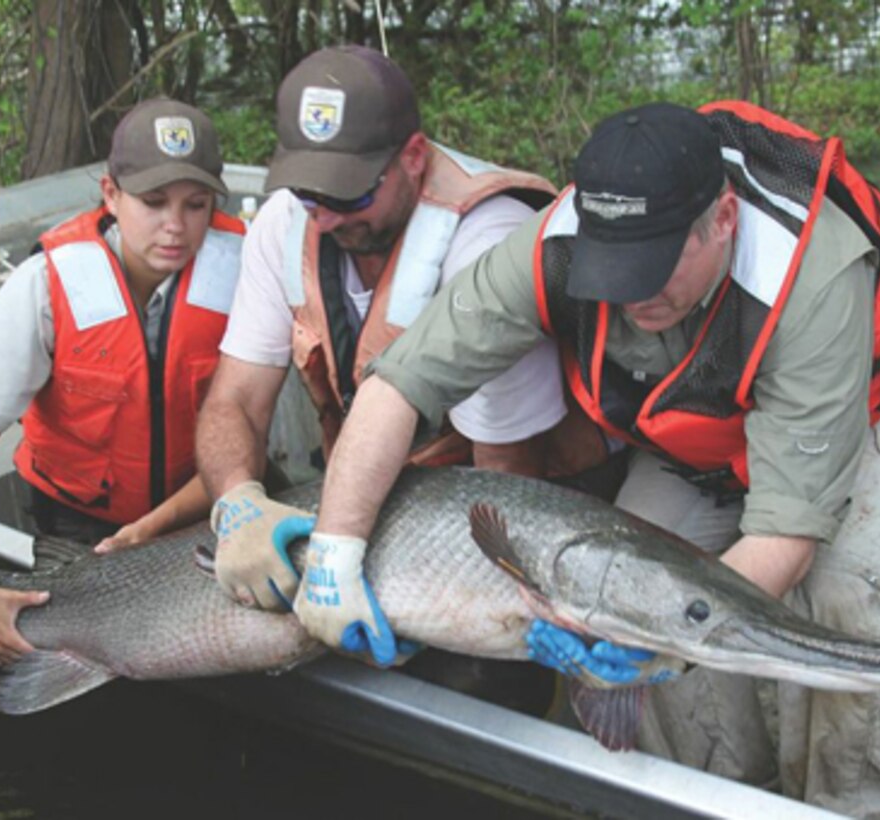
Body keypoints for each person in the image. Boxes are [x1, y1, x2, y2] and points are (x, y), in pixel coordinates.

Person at [303, 100, 880, 818]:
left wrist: (666, 644)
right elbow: (399, 387)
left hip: (875, 394)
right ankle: (719, 794)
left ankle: (848, 807)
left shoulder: (811, 277)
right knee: (628, 585)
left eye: (653, 266)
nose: (630, 292)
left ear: (722, 220)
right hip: (704, 422)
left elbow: (784, 535)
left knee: (842, 588)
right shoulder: (554, 242)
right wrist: (335, 552)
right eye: (613, 265)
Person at [196, 46, 607, 629]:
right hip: (368, 494)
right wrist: (235, 500)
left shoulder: (485, 241)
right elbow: (233, 399)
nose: (326, 217)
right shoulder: (288, 223)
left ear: (414, 157)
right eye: (310, 194)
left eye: (350, 194)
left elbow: (506, 473)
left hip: (503, 501)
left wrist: (475, 609)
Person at [0, 98, 244, 665]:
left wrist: (156, 526)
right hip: (73, 530)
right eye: (153, 203)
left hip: (204, 514)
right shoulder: (45, 285)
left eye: (195, 205)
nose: (175, 225)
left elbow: (247, 439)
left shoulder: (247, 274)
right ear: (110, 195)